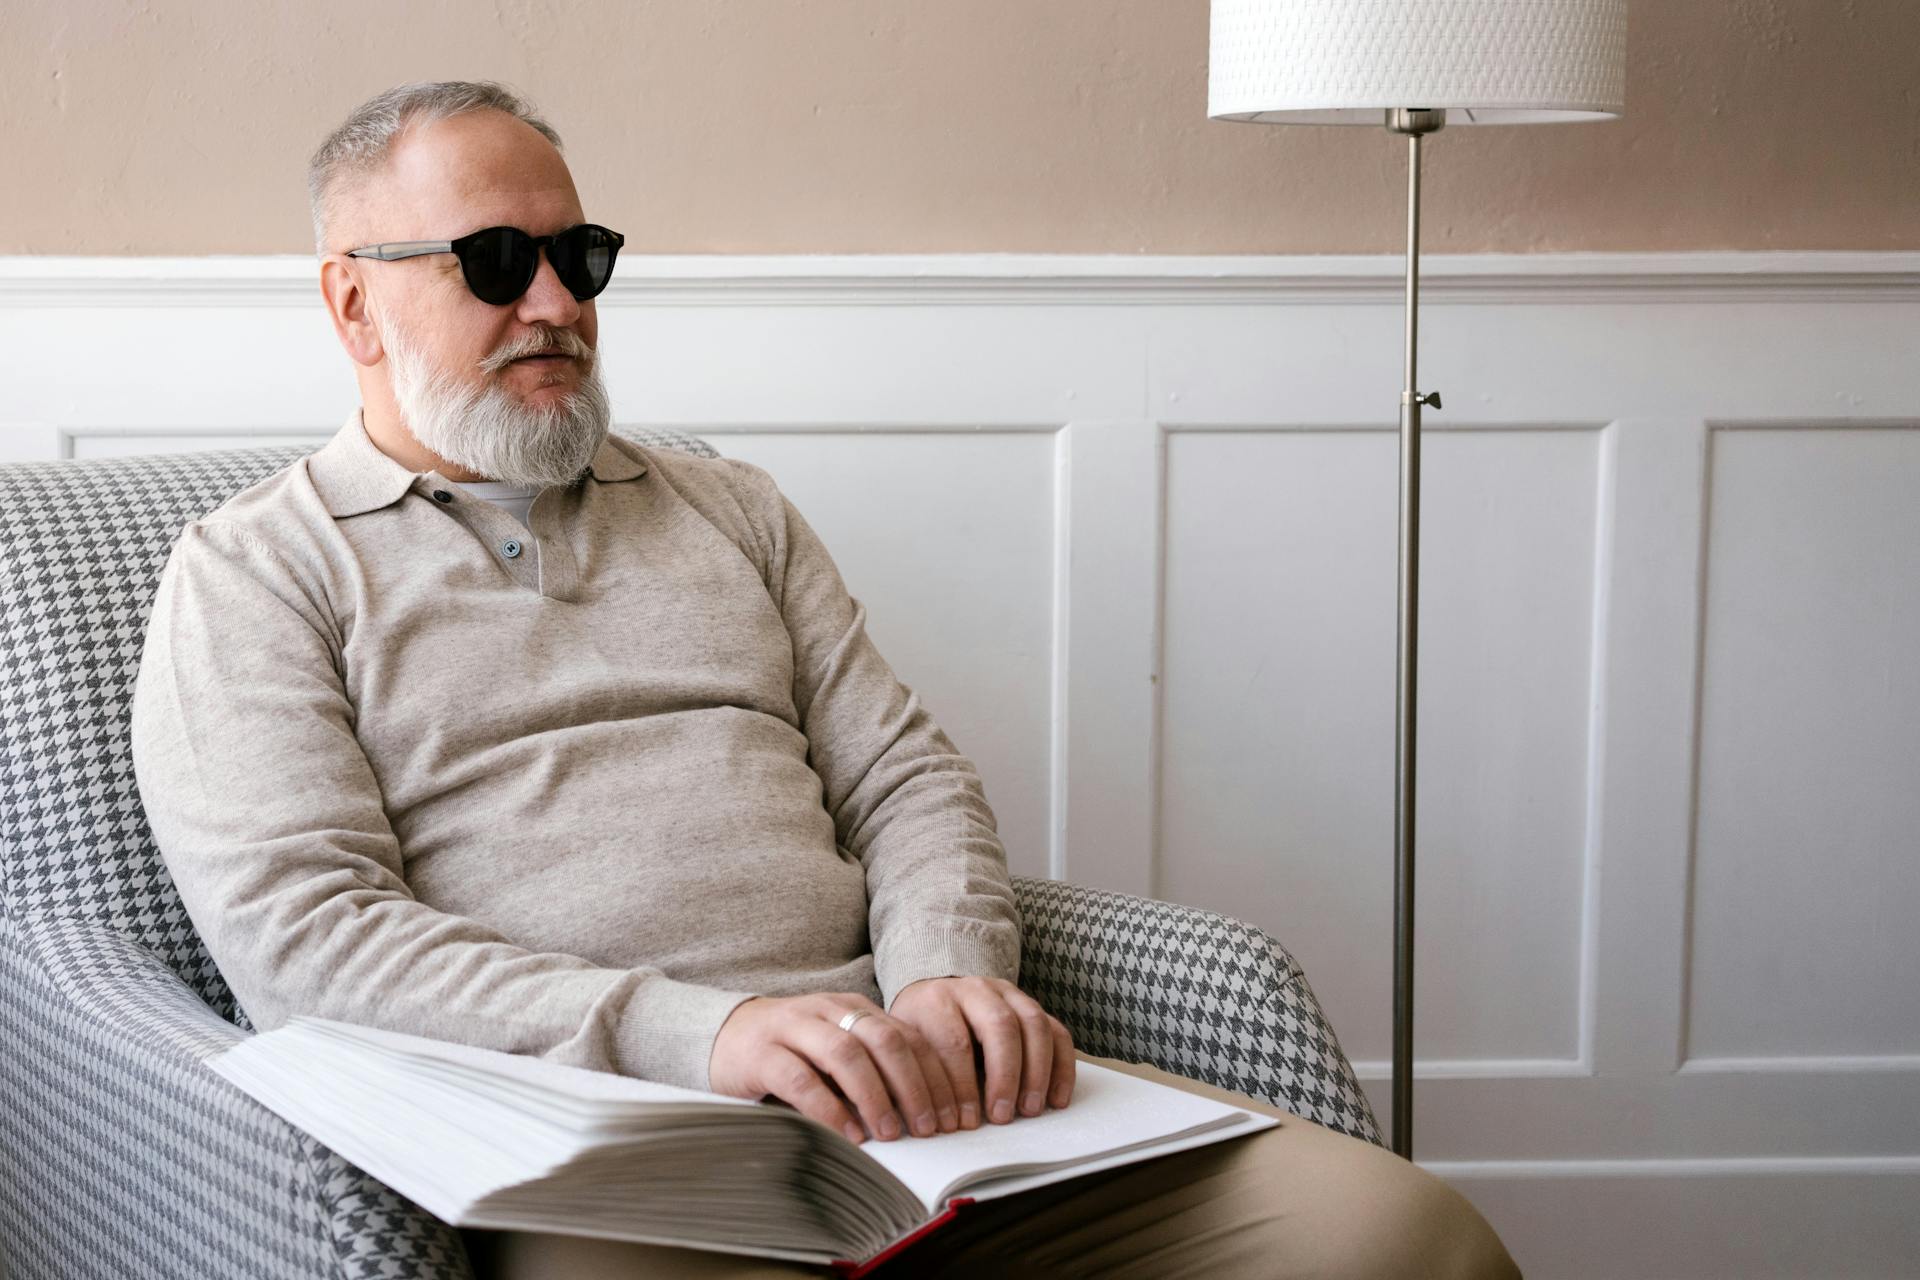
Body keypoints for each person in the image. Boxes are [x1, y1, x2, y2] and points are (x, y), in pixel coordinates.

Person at [129, 79, 1521, 1278]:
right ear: (355, 303)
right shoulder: (255, 572)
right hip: (600, 1140)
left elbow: (904, 776)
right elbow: (305, 939)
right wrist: (704, 1037)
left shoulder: (730, 508)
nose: (555, 305)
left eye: (580, 256)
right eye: (494, 262)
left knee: (1406, 1236)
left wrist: (945, 981)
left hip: (911, 1101)